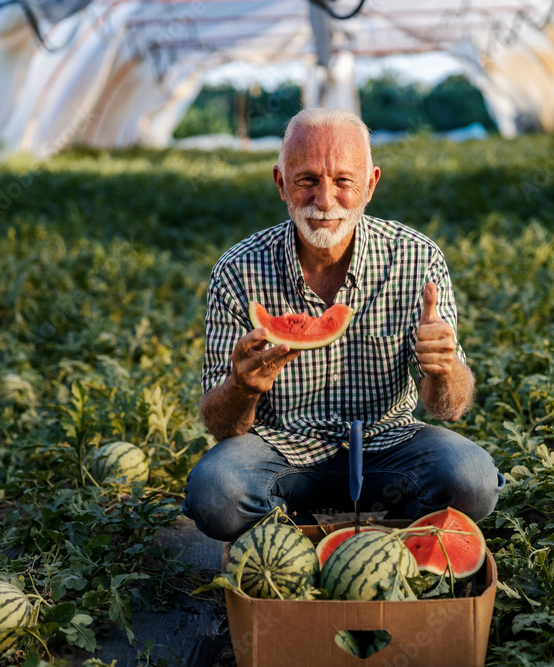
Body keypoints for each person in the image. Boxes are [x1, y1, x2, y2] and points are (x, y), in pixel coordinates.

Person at [182, 108, 504, 542]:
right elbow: (223, 427)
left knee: (473, 481)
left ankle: (302, 532)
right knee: (216, 493)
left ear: (370, 184)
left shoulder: (417, 260)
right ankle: (353, 532)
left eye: (343, 181)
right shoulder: (238, 271)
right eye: (308, 180)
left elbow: (448, 408)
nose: (325, 200)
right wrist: (242, 390)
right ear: (281, 183)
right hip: (280, 454)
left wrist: (444, 370)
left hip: (387, 450)